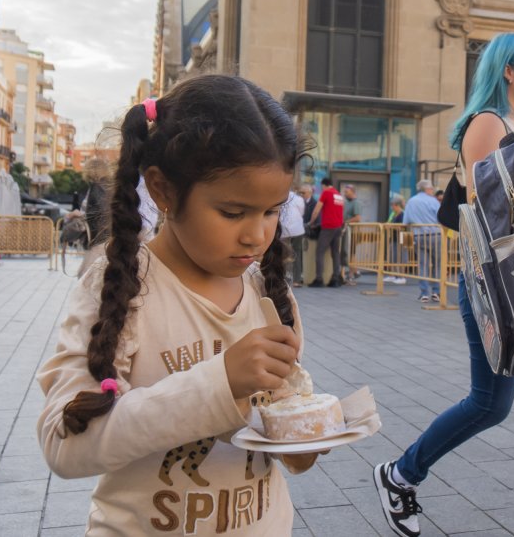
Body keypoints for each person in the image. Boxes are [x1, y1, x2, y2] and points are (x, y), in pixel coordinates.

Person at [35, 75, 321, 534]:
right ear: (164, 190)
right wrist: (219, 382)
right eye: (232, 212)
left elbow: (284, 446)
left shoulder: (272, 295)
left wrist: (304, 438)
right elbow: (63, 446)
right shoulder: (121, 290)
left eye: (272, 211)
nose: (256, 235)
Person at [373, 33, 514, 537]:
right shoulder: (488, 123)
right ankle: (400, 474)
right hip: (500, 287)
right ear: (508, 71)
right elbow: (493, 211)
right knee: (490, 402)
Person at [402, 179, 441, 304]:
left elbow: (405, 221)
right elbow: (441, 217)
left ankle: (424, 293)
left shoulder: (411, 201)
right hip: (435, 234)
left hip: (419, 235)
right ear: (426, 189)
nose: (432, 190)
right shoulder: (433, 201)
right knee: (438, 264)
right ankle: (436, 292)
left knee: (422, 264)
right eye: (431, 188)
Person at [307, 177, 345, 287]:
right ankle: (335, 279)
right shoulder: (339, 195)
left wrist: (310, 222)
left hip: (328, 228)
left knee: (319, 252)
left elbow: (317, 210)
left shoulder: (326, 193)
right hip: (338, 227)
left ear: (323, 185)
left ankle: (319, 279)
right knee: (335, 253)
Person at [280, 187, 306, 287]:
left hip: (284, 230)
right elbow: (302, 212)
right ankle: (297, 280)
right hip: (298, 230)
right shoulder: (298, 199)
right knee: (297, 254)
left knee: (283, 253)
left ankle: (283, 277)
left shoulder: (280, 196)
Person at [341, 184, 362, 284]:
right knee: (347, 253)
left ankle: (352, 274)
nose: (345, 194)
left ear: (353, 192)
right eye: (344, 192)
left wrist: (346, 221)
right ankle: (354, 271)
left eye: (347, 192)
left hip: (353, 231)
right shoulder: (346, 202)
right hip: (346, 231)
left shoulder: (356, 203)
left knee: (351, 253)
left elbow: (357, 218)